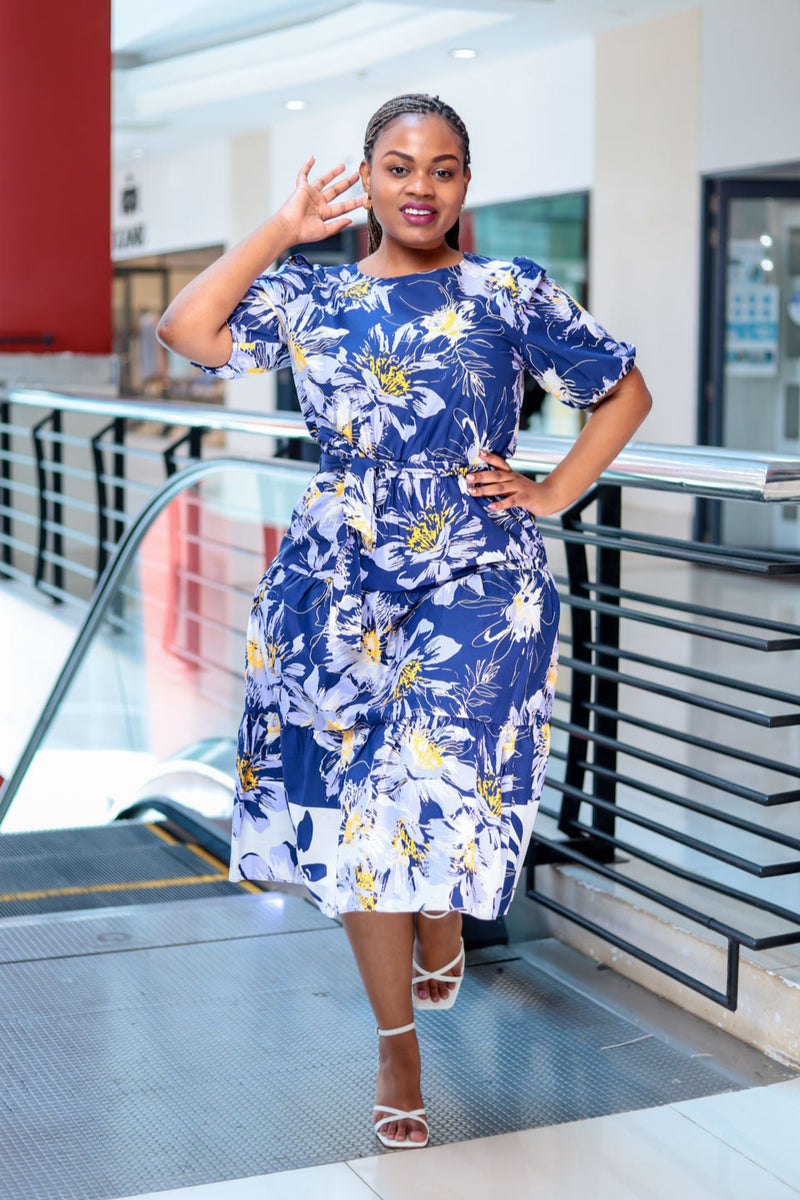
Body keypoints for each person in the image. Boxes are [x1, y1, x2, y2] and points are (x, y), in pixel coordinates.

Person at [157, 92, 652, 1150]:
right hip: (334, 578)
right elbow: (185, 329)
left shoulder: (505, 289)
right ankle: (396, 1041)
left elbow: (619, 391)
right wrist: (279, 232)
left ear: (465, 183)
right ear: (367, 178)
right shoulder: (311, 293)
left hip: (477, 575)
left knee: (431, 787)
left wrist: (555, 493)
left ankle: (440, 913)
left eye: (441, 168)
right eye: (396, 166)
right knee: (356, 819)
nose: (419, 187)